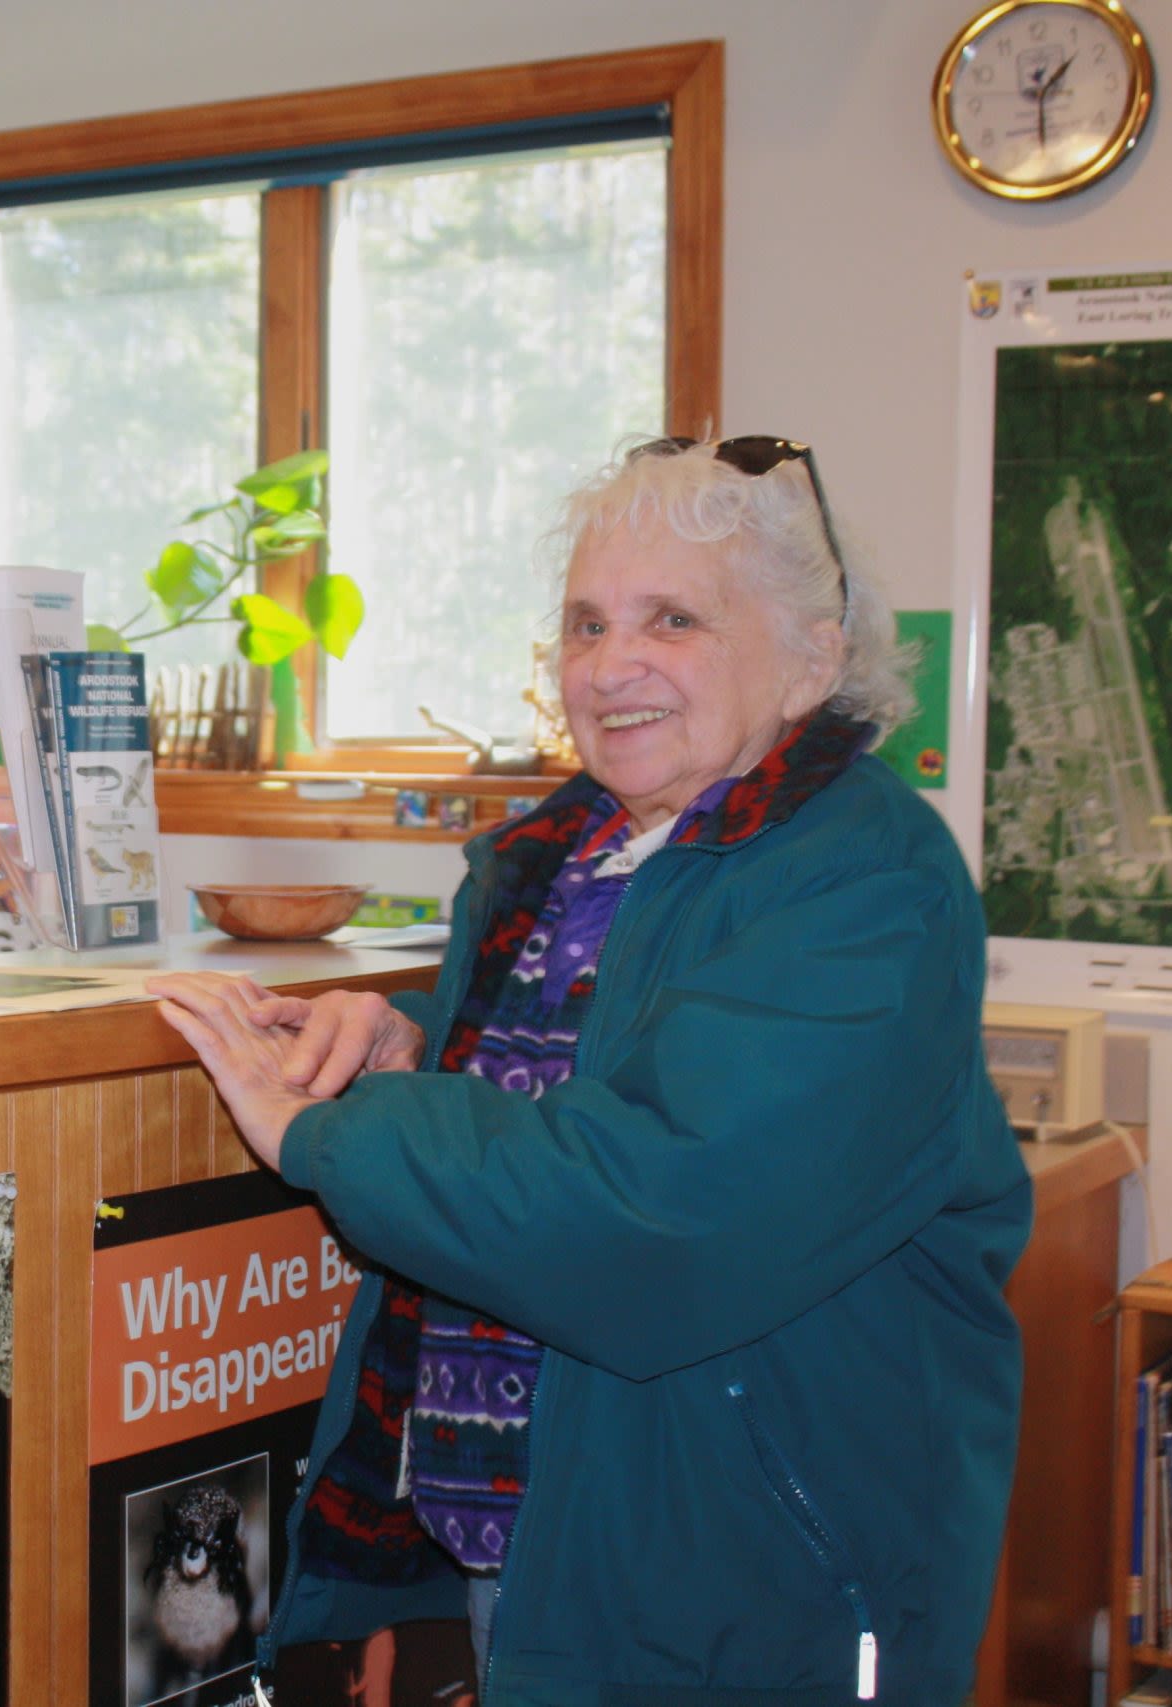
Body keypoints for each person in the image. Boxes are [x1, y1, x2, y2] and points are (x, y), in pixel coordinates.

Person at [150, 436, 1029, 1704]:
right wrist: (416, 1046)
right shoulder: (561, 861)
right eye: (584, 622)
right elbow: (586, 1076)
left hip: (746, 1582)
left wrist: (324, 1134)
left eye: (672, 619)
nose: (610, 666)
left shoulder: (865, 882)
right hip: (541, 1550)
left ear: (813, 658)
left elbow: (658, 1210)